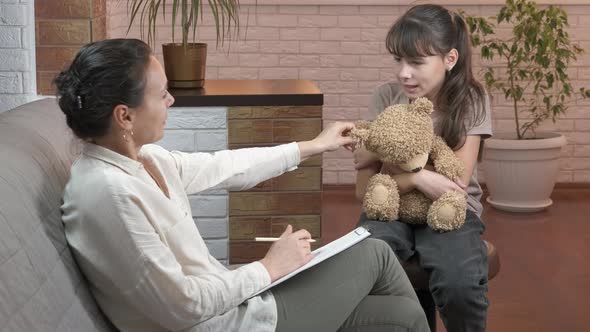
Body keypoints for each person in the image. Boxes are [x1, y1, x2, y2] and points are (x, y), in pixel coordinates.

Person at [56, 38, 429, 332]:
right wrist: (269, 267)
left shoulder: (143, 161)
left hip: (236, 305)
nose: (171, 100)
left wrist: (313, 145)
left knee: (400, 316)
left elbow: (226, 166)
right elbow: (183, 307)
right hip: (228, 324)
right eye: (162, 94)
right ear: (125, 115)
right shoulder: (109, 194)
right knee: (375, 253)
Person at [354, 4, 492, 332]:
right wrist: (419, 176)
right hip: (389, 210)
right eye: (398, 60)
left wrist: (395, 170)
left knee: (459, 284)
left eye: (416, 62)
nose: (404, 73)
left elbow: (454, 182)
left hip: (452, 212)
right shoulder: (386, 97)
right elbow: (363, 188)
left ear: (450, 59)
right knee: (363, 269)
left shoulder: (471, 99)